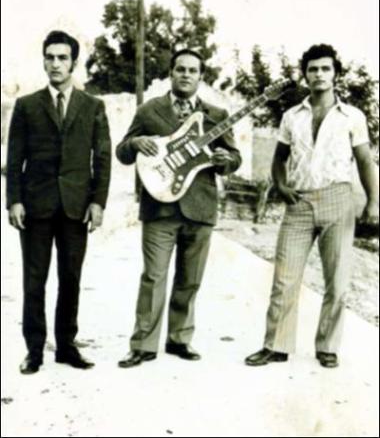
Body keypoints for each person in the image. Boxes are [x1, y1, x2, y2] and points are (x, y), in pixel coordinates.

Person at [245, 44, 379, 368]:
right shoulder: (292, 116)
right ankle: (276, 345)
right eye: (312, 69)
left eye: (325, 69)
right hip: (300, 202)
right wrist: (280, 185)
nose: (319, 75)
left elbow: (364, 160)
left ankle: (327, 346)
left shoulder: (353, 117)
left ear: (336, 74)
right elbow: (279, 159)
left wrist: (374, 201)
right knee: (284, 276)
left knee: (337, 279)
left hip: (338, 199)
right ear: (304, 74)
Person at [116, 49, 242, 367]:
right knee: (153, 277)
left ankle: (179, 339)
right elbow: (122, 151)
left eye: (193, 70)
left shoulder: (217, 114)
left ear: (201, 76)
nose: (186, 75)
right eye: (180, 69)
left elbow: (233, 156)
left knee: (191, 279)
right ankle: (144, 344)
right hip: (159, 209)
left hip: (200, 207)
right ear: (171, 73)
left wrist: (228, 162)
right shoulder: (149, 110)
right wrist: (134, 144)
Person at [6, 30, 111, 374]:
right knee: (34, 281)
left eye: (62, 57)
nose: (55, 64)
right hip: (35, 207)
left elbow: (103, 158)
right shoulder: (26, 105)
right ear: (43, 61)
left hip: (75, 208)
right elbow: (14, 157)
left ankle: (66, 347)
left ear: (74, 62)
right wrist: (14, 202)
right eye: (50, 57)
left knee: (71, 278)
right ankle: (34, 350)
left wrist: (98, 203)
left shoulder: (93, 106)